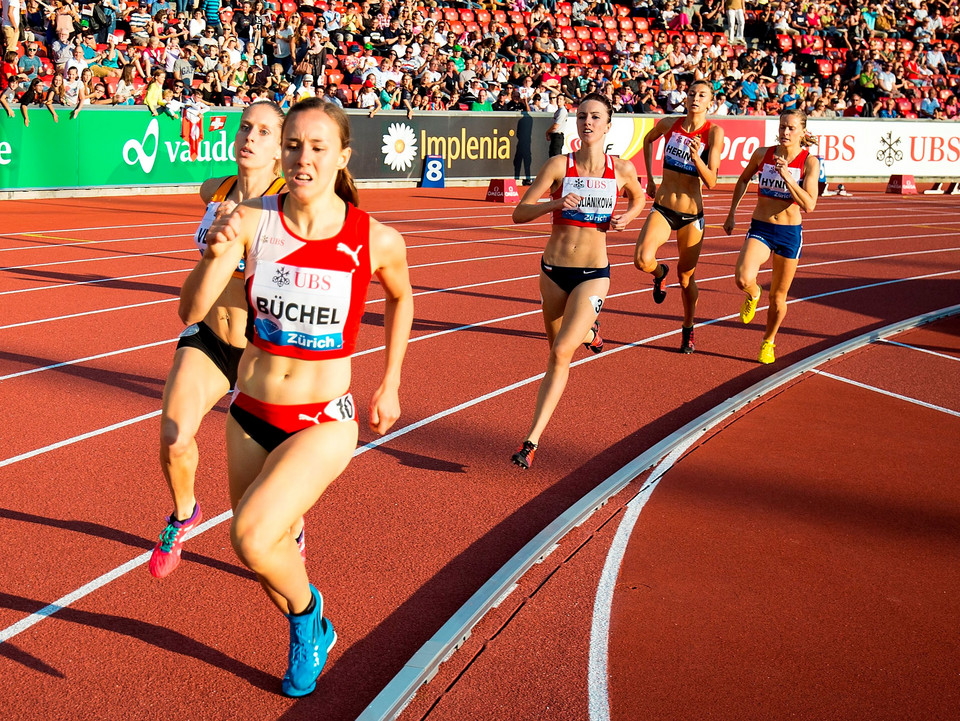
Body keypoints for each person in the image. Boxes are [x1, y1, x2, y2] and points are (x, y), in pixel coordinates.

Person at [179, 97, 413, 696]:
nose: (301, 159)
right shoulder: (254, 218)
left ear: (341, 157)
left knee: (251, 536)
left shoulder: (375, 238)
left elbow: (402, 297)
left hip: (322, 419)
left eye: (316, 147)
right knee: (263, 555)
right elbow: (190, 311)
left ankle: (308, 618)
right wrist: (216, 253)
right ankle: (309, 621)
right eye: (293, 146)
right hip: (250, 412)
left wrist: (389, 381)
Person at [148, 101, 288, 579]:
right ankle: (183, 514)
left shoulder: (287, 198)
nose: (250, 137)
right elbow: (204, 193)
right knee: (173, 435)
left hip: (262, 346)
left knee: (271, 462)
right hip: (210, 335)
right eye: (246, 127)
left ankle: (292, 523)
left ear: (279, 148)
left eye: (264, 132)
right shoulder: (217, 188)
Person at [509, 93, 645, 470]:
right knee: (556, 351)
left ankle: (530, 442)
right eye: (582, 116)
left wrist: (629, 217)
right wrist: (554, 204)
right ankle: (591, 333)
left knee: (560, 353)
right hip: (552, 272)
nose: (588, 122)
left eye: (595, 117)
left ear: (608, 124)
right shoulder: (558, 166)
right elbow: (519, 213)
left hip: (593, 274)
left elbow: (639, 197)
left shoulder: (621, 169)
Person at [722, 109, 819, 365]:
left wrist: (788, 177)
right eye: (782, 127)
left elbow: (809, 205)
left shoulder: (809, 162)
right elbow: (743, 180)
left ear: (802, 132)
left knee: (778, 297)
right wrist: (732, 212)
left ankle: (768, 341)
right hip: (761, 227)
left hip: (789, 233)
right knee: (743, 277)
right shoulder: (762, 154)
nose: (785, 132)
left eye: (791, 128)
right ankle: (753, 294)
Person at [634, 79, 723, 354]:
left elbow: (712, 181)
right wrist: (649, 178)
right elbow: (647, 141)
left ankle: (688, 328)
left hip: (691, 215)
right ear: (686, 98)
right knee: (642, 259)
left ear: (710, 102)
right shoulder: (669, 124)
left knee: (686, 279)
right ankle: (660, 273)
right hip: (663, 207)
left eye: (702, 95)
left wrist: (697, 158)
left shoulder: (713, 133)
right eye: (692, 93)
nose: (696, 98)